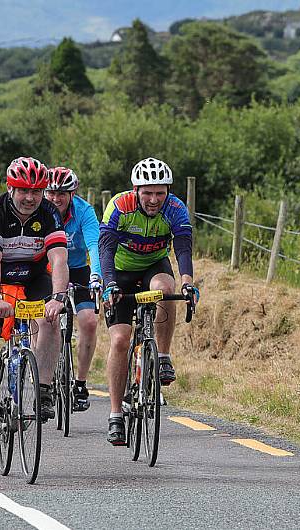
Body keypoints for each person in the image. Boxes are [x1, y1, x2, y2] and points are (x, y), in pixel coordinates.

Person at [0, 156, 68, 442]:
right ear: (10, 189)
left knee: (50, 320)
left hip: (31, 275)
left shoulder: (49, 213)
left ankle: (43, 390)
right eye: (23, 190)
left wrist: (58, 297)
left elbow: (58, 258)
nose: (30, 197)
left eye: (36, 191)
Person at [99, 157, 199, 445]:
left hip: (154, 265)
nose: (154, 199)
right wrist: (109, 284)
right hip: (119, 271)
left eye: (160, 192)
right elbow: (105, 247)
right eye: (148, 193)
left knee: (166, 289)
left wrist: (188, 282)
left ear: (167, 191)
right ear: (135, 190)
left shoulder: (175, 208)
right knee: (120, 340)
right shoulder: (119, 206)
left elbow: (182, 246)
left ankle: (163, 356)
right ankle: (116, 414)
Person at [44, 166, 102, 411]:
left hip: (78, 269)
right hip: (47, 270)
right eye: (51, 193)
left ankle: (80, 383)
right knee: (49, 320)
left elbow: (94, 245)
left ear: (73, 193)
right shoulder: (40, 211)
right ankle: (45, 378)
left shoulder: (84, 211)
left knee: (89, 321)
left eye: (62, 194)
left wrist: (97, 274)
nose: (56, 199)